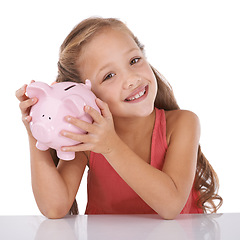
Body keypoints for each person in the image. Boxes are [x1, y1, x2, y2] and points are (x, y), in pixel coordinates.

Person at [15, 17, 222, 219]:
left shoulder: (182, 124)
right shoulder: (87, 137)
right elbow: (54, 207)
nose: (132, 79)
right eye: (109, 76)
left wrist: (111, 146)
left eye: (134, 60)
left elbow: (171, 206)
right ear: (82, 92)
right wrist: (37, 130)